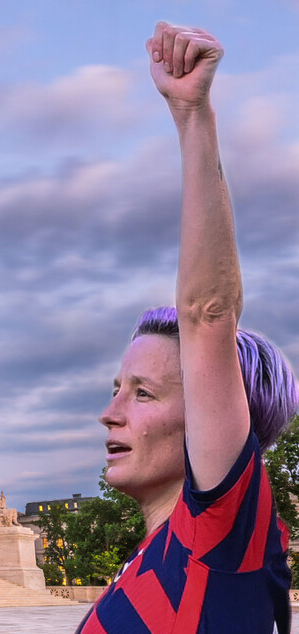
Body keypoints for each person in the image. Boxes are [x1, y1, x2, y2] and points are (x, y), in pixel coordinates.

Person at [77, 23, 298, 633]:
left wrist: (192, 115)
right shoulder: (157, 559)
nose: (110, 413)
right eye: (118, 388)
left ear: (210, 414)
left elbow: (209, 313)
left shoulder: (219, 536)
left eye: (143, 393)